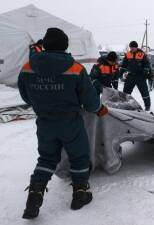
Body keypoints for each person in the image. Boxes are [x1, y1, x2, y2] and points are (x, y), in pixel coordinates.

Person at [18, 28, 108, 219]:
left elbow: (26, 96)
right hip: (70, 123)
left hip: (45, 123)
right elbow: (90, 101)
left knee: (46, 159)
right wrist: (100, 109)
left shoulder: (27, 67)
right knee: (79, 157)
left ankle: (34, 197)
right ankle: (79, 195)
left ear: (46, 45)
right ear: (65, 46)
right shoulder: (74, 68)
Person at [121, 41, 152, 111]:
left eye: (133, 47)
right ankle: (124, 104)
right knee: (126, 91)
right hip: (130, 75)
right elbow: (124, 65)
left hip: (140, 76)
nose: (131, 49)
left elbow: (147, 64)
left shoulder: (142, 54)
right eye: (130, 47)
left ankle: (147, 105)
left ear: (136, 47)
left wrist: (145, 71)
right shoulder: (128, 54)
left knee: (144, 92)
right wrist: (120, 73)